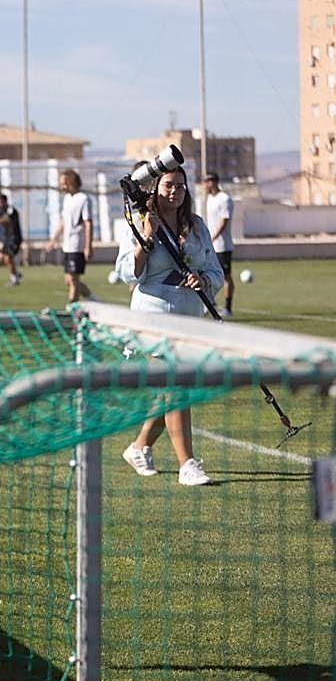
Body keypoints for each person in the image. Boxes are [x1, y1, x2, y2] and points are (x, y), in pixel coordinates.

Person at [115, 163, 224, 487]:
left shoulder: (198, 226)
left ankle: (139, 446)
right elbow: (127, 273)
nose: (174, 191)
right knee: (176, 387)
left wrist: (203, 279)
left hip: (190, 318)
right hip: (154, 316)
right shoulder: (138, 221)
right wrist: (145, 240)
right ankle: (187, 464)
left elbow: (216, 272)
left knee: (170, 391)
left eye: (180, 185)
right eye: (168, 186)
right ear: (154, 188)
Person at [46, 169, 95, 304]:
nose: (61, 187)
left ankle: (72, 311)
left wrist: (88, 246)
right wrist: (54, 240)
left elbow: (88, 223)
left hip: (77, 245)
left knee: (73, 281)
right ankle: (93, 299)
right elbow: (63, 221)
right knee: (69, 280)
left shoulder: (84, 199)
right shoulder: (67, 199)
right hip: (67, 245)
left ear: (71, 183)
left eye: (63, 184)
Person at [204, 172, 235, 317]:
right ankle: (211, 303)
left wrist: (213, 237)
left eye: (208, 181)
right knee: (207, 274)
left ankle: (228, 308)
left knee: (226, 276)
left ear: (214, 182)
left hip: (222, 245)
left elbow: (224, 221)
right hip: (210, 245)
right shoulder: (209, 198)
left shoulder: (225, 199)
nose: (205, 184)